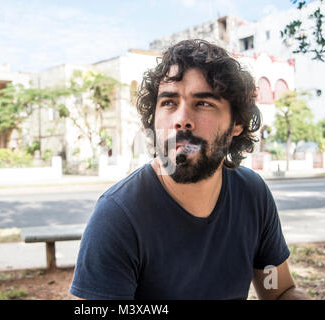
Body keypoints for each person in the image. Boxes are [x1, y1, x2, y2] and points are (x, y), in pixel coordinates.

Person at [69, 39, 307, 300]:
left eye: (203, 103)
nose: (181, 120)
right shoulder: (119, 216)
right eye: (169, 103)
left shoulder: (252, 195)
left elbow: (277, 289)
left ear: (236, 123)